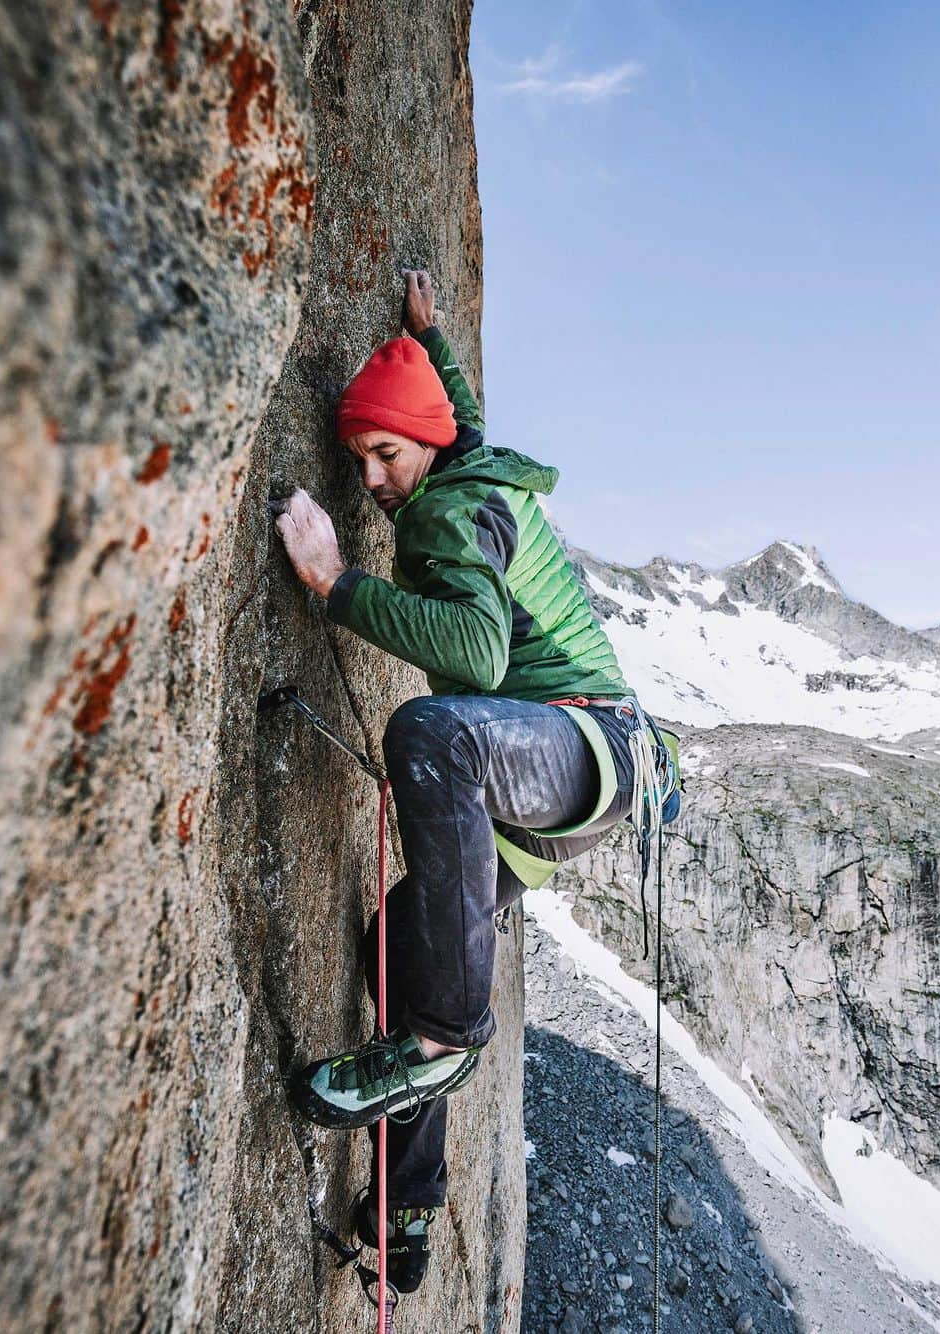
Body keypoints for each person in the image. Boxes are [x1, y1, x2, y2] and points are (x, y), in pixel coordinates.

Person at [274, 268, 651, 1294]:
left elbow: (480, 659)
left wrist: (337, 584)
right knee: (400, 944)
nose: (374, 478)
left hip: (576, 744)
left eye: (385, 454)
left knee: (434, 731)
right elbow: (462, 421)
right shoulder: (465, 462)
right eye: (360, 459)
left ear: (423, 448)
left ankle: (442, 1038)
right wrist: (431, 341)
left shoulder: (449, 512)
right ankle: (406, 1212)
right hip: (581, 774)